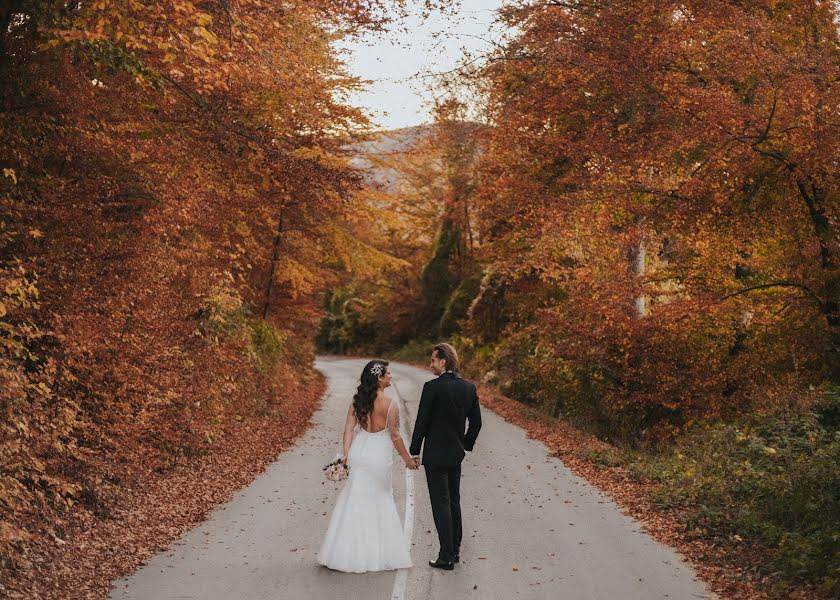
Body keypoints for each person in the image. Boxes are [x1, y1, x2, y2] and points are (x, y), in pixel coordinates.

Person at [317, 359, 418, 573]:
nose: (391, 376)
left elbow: (348, 429)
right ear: (379, 378)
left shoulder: (358, 401)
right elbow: (395, 436)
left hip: (358, 452)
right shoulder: (390, 404)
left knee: (354, 498)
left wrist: (346, 454)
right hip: (378, 456)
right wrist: (407, 459)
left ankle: (344, 553)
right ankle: (375, 553)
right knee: (379, 499)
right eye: (388, 373)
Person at [409, 343, 482, 570]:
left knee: (441, 505)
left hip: (435, 456)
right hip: (455, 454)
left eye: (433, 360)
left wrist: (414, 451)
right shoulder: (469, 388)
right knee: (453, 502)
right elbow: (477, 423)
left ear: (443, 361)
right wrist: (465, 444)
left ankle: (446, 556)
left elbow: (422, 422)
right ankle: (455, 551)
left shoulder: (432, 388)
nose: (430, 364)